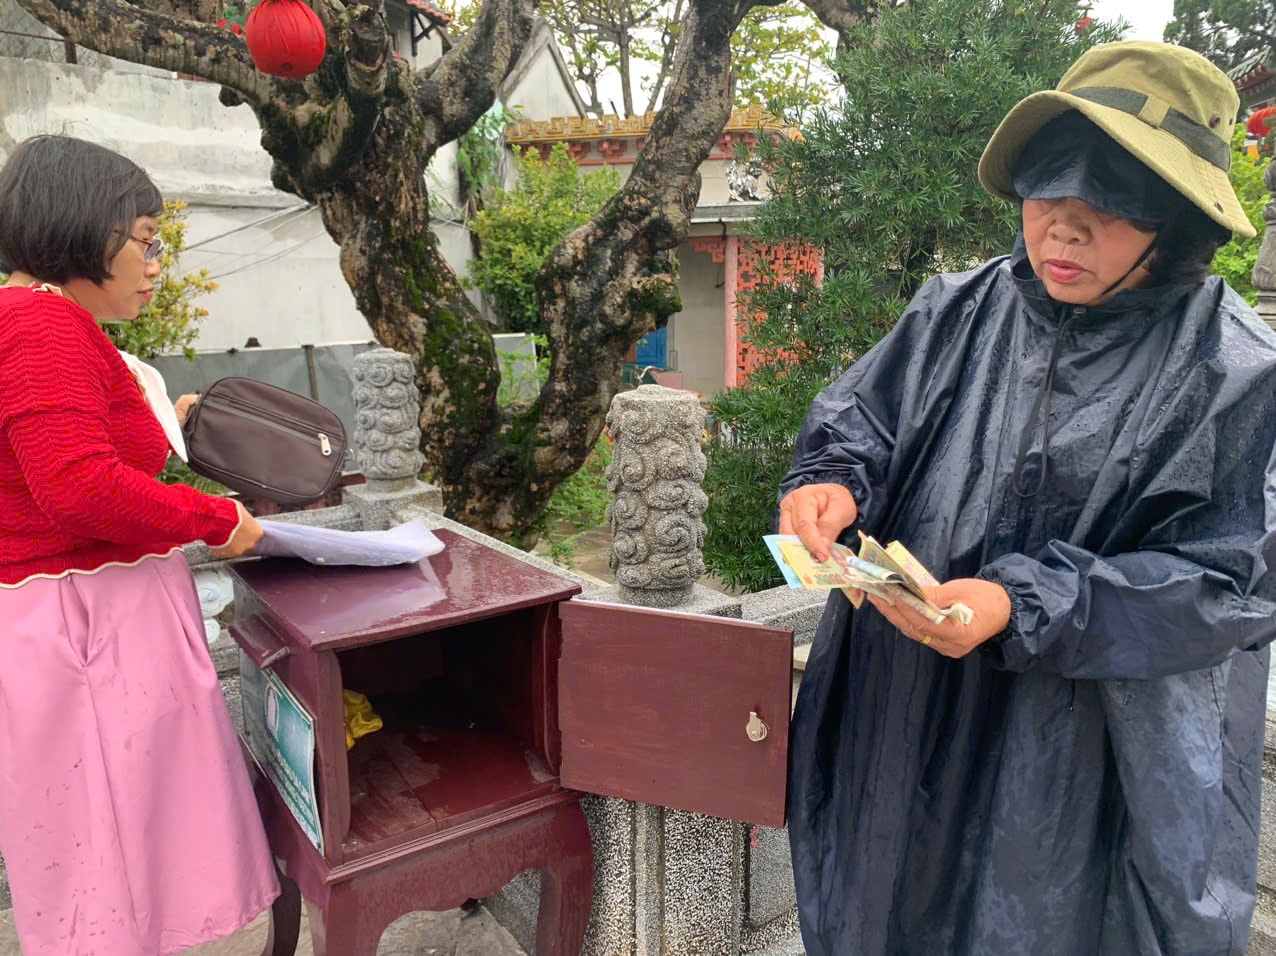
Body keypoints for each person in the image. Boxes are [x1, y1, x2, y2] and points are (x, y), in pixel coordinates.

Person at [779, 41, 1276, 955]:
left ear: (1174, 224)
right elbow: (863, 423)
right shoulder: (953, 312)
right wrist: (827, 483)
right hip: (911, 703)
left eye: (1108, 211)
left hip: (1090, 752)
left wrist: (1026, 602)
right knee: (893, 901)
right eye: (1049, 199)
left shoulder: (1233, 372)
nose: (1063, 234)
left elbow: (1227, 583)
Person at [0, 135, 279, 954]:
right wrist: (218, 522)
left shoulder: (48, 323)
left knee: (115, 853)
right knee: (109, 862)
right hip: (87, 621)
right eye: (147, 239)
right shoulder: (40, 322)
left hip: (89, 612)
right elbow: (77, 484)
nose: (158, 260)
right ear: (82, 227)